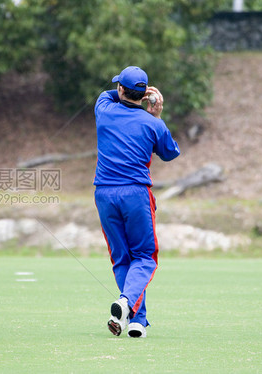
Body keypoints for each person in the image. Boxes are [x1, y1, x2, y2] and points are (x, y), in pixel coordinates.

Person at [93, 66, 180, 338]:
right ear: (143, 93)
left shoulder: (104, 109)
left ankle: (136, 322)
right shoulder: (153, 124)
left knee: (122, 258)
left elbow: (107, 93)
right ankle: (127, 303)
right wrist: (155, 112)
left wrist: (137, 96)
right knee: (144, 256)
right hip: (135, 194)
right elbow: (170, 153)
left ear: (120, 90)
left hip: (104, 193)